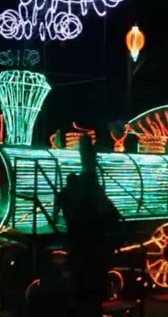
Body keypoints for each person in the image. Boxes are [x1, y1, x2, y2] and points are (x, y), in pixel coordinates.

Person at [61, 135, 121, 317]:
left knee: (86, 292)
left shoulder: (86, 193)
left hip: (86, 251)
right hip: (90, 251)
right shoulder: (91, 193)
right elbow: (112, 216)